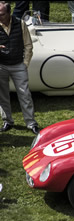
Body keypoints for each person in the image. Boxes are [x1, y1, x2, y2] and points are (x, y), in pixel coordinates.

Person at [0, 1, 40, 134]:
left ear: (9, 13)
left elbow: (28, 45)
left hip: (18, 65)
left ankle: (31, 122)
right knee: (2, 96)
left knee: (25, 94)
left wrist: (25, 64)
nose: (0, 16)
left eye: (2, 14)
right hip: (1, 66)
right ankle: (7, 121)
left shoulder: (21, 24)